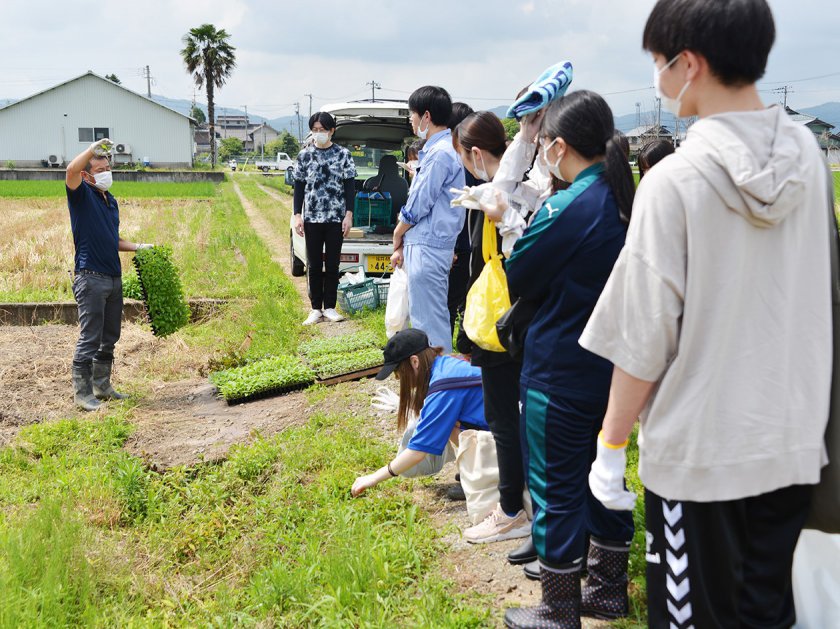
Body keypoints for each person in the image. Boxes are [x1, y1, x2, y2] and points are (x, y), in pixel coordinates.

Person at [581, 1, 832, 627]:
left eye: (658, 65)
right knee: (767, 612)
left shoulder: (675, 181)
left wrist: (611, 446)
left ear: (688, 64)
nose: (657, 81)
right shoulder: (807, 157)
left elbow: (643, 337)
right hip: (792, 443)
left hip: (702, 460)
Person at [502, 91, 637, 628]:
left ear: (559, 146)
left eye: (542, 145)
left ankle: (558, 610)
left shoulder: (568, 205)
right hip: (618, 371)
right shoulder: (630, 198)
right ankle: (606, 589)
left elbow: (520, 274)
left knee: (556, 485)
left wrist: (505, 220)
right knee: (607, 476)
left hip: (560, 368)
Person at [450, 111, 533, 545]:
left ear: (477, 154)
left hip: (500, 322)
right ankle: (525, 501)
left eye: (464, 158)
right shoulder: (529, 184)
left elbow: (488, 261)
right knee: (525, 416)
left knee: (502, 416)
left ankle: (509, 510)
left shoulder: (495, 197)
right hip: (527, 320)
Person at [65, 139, 152, 411]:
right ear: (87, 174)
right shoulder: (81, 195)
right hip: (90, 277)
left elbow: (112, 239)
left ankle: (102, 386)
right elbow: (69, 170)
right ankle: (82, 394)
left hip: (113, 278)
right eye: (99, 168)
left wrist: (138, 247)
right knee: (90, 336)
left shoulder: (110, 201)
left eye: (107, 167)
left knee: (110, 336)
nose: (105, 172)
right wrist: (91, 149)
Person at [350, 328, 491, 496]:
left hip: (513, 441)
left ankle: (487, 476)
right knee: (451, 423)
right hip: (508, 427)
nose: (399, 379)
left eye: (399, 373)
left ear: (414, 361)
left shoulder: (443, 387)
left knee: (448, 424)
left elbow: (417, 452)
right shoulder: (445, 365)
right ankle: (478, 469)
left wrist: (373, 478)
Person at [390, 86, 465, 353]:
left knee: (428, 325)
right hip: (429, 244)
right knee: (430, 319)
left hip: (428, 246)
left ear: (426, 116)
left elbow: (419, 202)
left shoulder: (440, 153)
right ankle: (434, 384)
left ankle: (436, 386)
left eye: (412, 114)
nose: (410, 120)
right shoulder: (444, 149)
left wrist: (399, 231)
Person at [293, 112, 357, 326]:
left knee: (332, 264)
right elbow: (299, 187)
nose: (319, 133)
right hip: (312, 217)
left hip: (335, 218)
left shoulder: (343, 154)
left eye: (323, 129)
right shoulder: (304, 156)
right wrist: (297, 215)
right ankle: (315, 308)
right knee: (313, 264)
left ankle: (330, 307)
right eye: (315, 129)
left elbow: (350, 186)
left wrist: (349, 214)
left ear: (332, 131)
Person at [447, 102, 478, 337]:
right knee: (467, 298)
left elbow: (456, 208)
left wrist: (453, 246)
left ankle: (453, 344)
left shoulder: (462, 161)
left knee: (451, 300)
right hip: (471, 243)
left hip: (462, 243)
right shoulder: (474, 159)